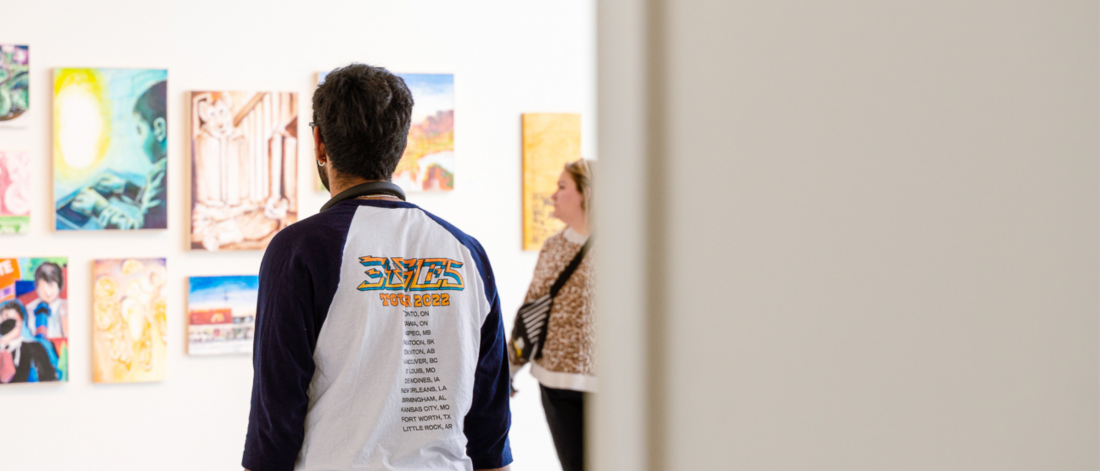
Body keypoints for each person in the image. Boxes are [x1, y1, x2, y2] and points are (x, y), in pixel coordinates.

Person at [242, 64, 512, 471]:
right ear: (401, 145)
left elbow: (276, 416)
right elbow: (491, 428)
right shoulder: (467, 252)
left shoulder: (299, 250)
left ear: (319, 143)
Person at [510, 159, 596, 471]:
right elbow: (531, 308)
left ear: (588, 193)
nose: (553, 195)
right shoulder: (554, 245)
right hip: (555, 382)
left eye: (562, 187)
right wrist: (509, 369)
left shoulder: (625, 245)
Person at [71, 80, 168, 230]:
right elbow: (161, 207)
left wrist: (99, 208)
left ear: (159, 129)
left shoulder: (163, 172)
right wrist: (125, 187)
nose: (139, 142)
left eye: (140, 131)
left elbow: (141, 232)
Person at [0, 301, 57, 383]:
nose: (6, 325)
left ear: (21, 323)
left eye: (10, 321)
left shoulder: (34, 347)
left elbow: (49, 378)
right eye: (2, 318)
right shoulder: (2, 348)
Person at [25, 262, 67, 340]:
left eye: (51, 286)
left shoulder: (67, 307)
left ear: (59, 286)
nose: (48, 293)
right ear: (37, 287)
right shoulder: (28, 310)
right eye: (44, 288)